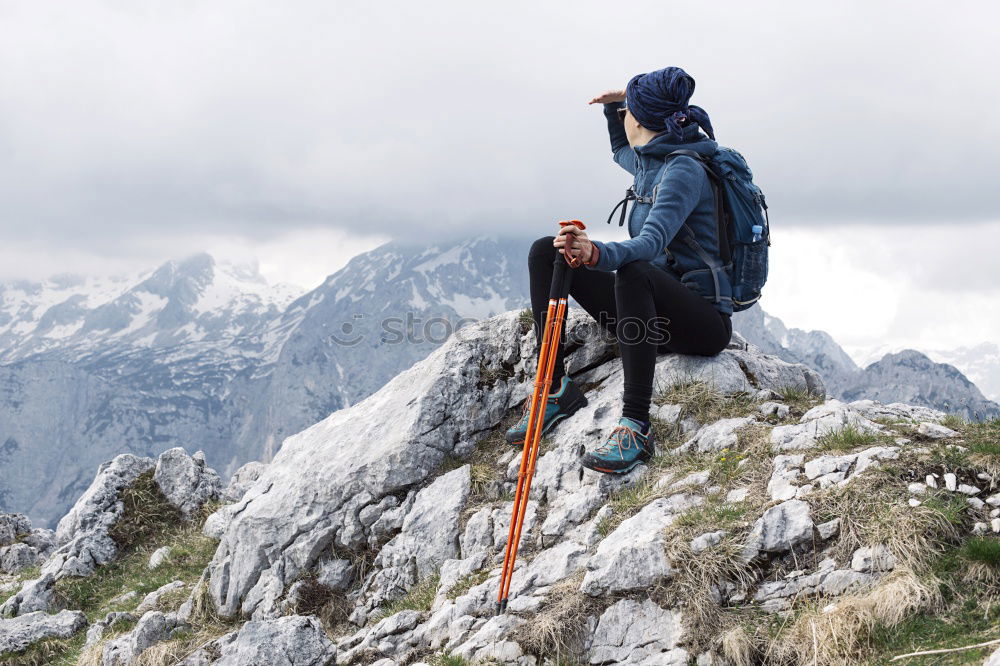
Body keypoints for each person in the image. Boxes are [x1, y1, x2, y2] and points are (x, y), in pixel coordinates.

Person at [504, 66, 734, 475]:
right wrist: (615, 108)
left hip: (701, 323)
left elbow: (649, 244)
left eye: (630, 110)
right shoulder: (653, 159)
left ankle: (635, 426)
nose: (626, 116)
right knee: (546, 252)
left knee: (634, 269)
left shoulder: (683, 170)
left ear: (642, 121)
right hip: (648, 318)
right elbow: (621, 151)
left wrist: (595, 254)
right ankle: (555, 389)